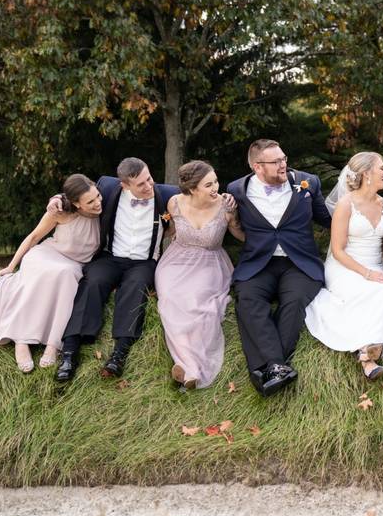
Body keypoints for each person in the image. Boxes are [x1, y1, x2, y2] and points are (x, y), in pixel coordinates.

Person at [52, 158, 180, 382]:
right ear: (125, 185)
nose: (149, 186)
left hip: (144, 261)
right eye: (140, 184)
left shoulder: (167, 195)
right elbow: (77, 195)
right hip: (111, 257)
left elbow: (193, 202)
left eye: (149, 178)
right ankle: (70, 352)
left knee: (136, 286)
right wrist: (56, 199)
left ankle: (119, 353)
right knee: (92, 282)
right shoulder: (108, 188)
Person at [225, 139, 332, 396]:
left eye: (284, 158)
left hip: (299, 262)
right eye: (276, 162)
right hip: (259, 263)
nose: (284, 165)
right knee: (248, 300)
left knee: (294, 302)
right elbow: (232, 226)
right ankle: (278, 366)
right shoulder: (237, 190)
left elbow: (329, 220)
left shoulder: (308, 183)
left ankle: (268, 371)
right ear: (257, 167)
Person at [0, 174, 102, 373]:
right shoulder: (59, 213)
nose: (97, 203)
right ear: (76, 203)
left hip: (74, 263)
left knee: (65, 274)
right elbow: (34, 237)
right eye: (90, 201)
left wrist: (56, 196)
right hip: (47, 253)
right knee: (40, 273)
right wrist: (11, 266)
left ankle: (52, 345)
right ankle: (21, 341)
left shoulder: (103, 207)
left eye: (97, 196)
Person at [305, 152, 383, 378]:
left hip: (375, 264)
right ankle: (367, 356)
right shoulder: (346, 205)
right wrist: (366, 273)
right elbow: (337, 250)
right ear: (366, 174)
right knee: (372, 289)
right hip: (346, 265)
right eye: (382, 168)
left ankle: (366, 352)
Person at [155, 160, 243, 389]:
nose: (216, 188)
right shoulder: (174, 203)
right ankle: (186, 366)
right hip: (175, 263)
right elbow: (168, 230)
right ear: (193, 189)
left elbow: (241, 235)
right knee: (171, 299)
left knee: (198, 304)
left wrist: (235, 218)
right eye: (208, 185)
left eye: (215, 181)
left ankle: (190, 369)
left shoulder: (226, 206)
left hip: (209, 264)